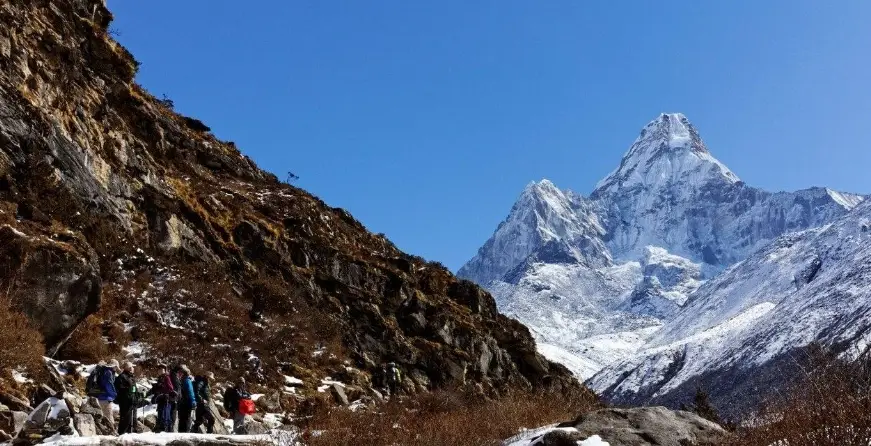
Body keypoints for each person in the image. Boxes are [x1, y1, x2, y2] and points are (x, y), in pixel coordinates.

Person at [146, 365, 175, 433]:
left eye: (162, 369)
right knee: (161, 416)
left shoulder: (166, 377)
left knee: (165, 417)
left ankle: (166, 432)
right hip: (161, 400)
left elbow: (171, 388)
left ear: (165, 370)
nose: (160, 371)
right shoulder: (160, 378)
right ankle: (163, 431)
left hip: (165, 400)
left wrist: (161, 387)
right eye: (159, 370)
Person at [114, 362, 138, 435]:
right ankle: (123, 433)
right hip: (125, 402)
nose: (132, 368)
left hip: (132, 401)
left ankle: (132, 432)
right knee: (126, 418)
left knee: (133, 418)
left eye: (132, 367)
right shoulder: (122, 377)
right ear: (127, 368)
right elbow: (120, 389)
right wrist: (129, 391)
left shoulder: (131, 377)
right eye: (131, 367)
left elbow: (134, 389)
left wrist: (137, 396)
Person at [95, 360, 119, 431]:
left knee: (103, 415)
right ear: (114, 365)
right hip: (106, 397)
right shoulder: (108, 372)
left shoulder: (104, 371)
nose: (116, 368)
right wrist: (115, 394)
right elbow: (109, 385)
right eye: (116, 367)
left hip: (101, 396)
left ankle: (104, 430)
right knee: (109, 415)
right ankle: (112, 431)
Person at [176, 365, 197, 433]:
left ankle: (182, 434)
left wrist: (192, 401)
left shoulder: (183, 380)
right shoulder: (185, 381)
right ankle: (184, 434)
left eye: (180, 372)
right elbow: (189, 392)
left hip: (183, 404)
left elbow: (189, 392)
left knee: (183, 420)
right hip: (184, 404)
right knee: (184, 420)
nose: (179, 374)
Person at [168, 364, 183, 432]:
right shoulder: (174, 376)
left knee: (173, 416)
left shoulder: (175, 376)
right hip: (173, 399)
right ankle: (170, 431)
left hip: (175, 399)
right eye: (181, 372)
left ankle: (171, 430)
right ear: (178, 371)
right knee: (172, 416)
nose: (182, 374)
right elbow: (175, 389)